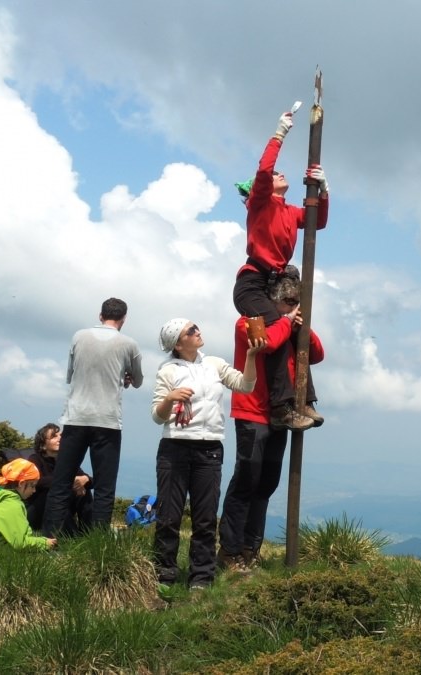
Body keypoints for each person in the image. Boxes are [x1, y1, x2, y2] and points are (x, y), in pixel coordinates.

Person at [232, 108, 329, 432]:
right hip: (252, 282)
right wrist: (279, 135)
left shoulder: (289, 211)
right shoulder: (259, 203)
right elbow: (264, 169)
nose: (280, 174)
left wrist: (322, 190)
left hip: (271, 282)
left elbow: (319, 221)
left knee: (294, 330)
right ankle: (281, 408)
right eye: (277, 176)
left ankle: (305, 400)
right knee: (277, 333)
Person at [219, 276, 324, 571]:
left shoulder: (287, 326)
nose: (293, 307)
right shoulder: (248, 322)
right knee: (246, 482)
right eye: (287, 302)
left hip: (281, 415)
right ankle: (229, 551)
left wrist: (301, 327)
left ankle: (250, 549)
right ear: (271, 300)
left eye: (296, 303)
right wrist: (286, 322)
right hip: (252, 413)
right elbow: (267, 344)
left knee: (266, 484)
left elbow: (317, 353)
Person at [151, 317, 265, 589]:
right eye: (191, 330)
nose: (197, 331)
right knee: (169, 516)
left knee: (205, 517)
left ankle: (201, 577)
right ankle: (164, 574)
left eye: (195, 326)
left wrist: (251, 357)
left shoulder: (213, 363)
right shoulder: (167, 370)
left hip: (210, 448)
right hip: (175, 446)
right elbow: (157, 416)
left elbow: (245, 385)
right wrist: (170, 398)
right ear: (178, 343)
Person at [43, 297, 144, 536]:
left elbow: (71, 374)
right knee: (105, 486)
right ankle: (97, 543)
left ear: (100, 315)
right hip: (107, 421)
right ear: (124, 319)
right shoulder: (129, 344)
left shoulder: (79, 336)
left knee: (60, 482)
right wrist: (125, 376)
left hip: (75, 418)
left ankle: (49, 539)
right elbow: (138, 381)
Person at [0, 458, 57, 554]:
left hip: (0, 553)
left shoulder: (5, 500)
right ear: (21, 484)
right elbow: (19, 543)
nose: (34, 490)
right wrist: (45, 543)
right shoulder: (11, 506)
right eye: (32, 486)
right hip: (5, 557)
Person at [25, 422, 93, 535]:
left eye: (61, 436)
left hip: (60, 510)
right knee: (54, 494)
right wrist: (69, 481)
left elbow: (90, 481)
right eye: (54, 436)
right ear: (43, 445)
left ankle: (89, 533)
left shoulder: (67, 462)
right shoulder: (35, 459)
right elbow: (37, 481)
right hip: (38, 512)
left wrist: (85, 479)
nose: (60, 439)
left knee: (84, 491)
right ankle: (73, 537)